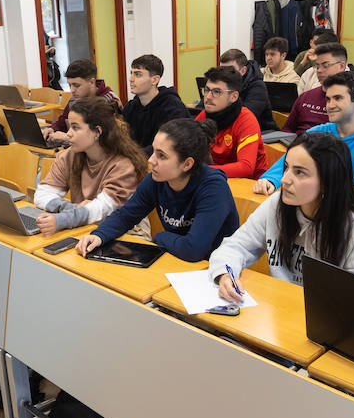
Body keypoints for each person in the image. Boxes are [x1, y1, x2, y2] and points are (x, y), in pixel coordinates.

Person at [210, 133, 354, 299]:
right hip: (279, 312)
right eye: (286, 168)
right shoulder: (277, 204)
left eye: (299, 172)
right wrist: (226, 275)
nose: (285, 179)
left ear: (327, 182)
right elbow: (235, 246)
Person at [77, 119, 240, 262]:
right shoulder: (157, 179)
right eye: (153, 151)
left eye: (161, 156)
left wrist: (160, 237)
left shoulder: (213, 188)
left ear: (187, 164)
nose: (151, 160)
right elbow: (126, 215)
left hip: (216, 270)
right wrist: (99, 235)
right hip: (176, 258)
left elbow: (194, 250)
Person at [254, 71, 354, 198]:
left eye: (338, 98)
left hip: (348, 217)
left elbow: (353, 194)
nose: (330, 105)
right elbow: (286, 163)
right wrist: (269, 180)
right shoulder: (317, 132)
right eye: (328, 99)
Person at [33, 97, 147, 235]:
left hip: (128, 233)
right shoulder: (69, 155)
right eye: (69, 126)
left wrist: (63, 219)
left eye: (76, 127)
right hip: (86, 226)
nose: (68, 133)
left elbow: (101, 210)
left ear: (97, 132)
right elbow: (41, 194)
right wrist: (71, 208)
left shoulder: (123, 166)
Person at [196, 64, 270, 178]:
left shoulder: (246, 120)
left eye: (216, 91)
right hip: (217, 178)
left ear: (234, 97)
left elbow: (246, 168)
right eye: (207, 90)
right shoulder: (203, 116)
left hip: (253, 185)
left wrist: (203, 171)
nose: (208, 97)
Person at [121, 54, 189, 153]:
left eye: (138, 74)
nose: (131, 79)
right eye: (131, 73)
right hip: (136, 160)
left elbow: (169, 145)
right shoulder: (130, 107)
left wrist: (133, 156)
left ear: (155, 80)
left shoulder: (173, 107)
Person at [46, 59, 120, 143]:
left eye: (76, 85)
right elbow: (63, 121)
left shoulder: (108, 100)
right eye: (69, 85)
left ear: (91, 82)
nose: (72, 90)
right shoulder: (75, 98)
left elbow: (104, 139)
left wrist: (67, 137)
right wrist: (52, 129)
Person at [219, 48, 277, 131]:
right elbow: (204, 107)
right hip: (233, 130)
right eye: (222, 70)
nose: (225, 75)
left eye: (230, 71)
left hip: (263, 133)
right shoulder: (220, 83)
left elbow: (245, 117)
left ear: (243, 71)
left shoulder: (258, 87)